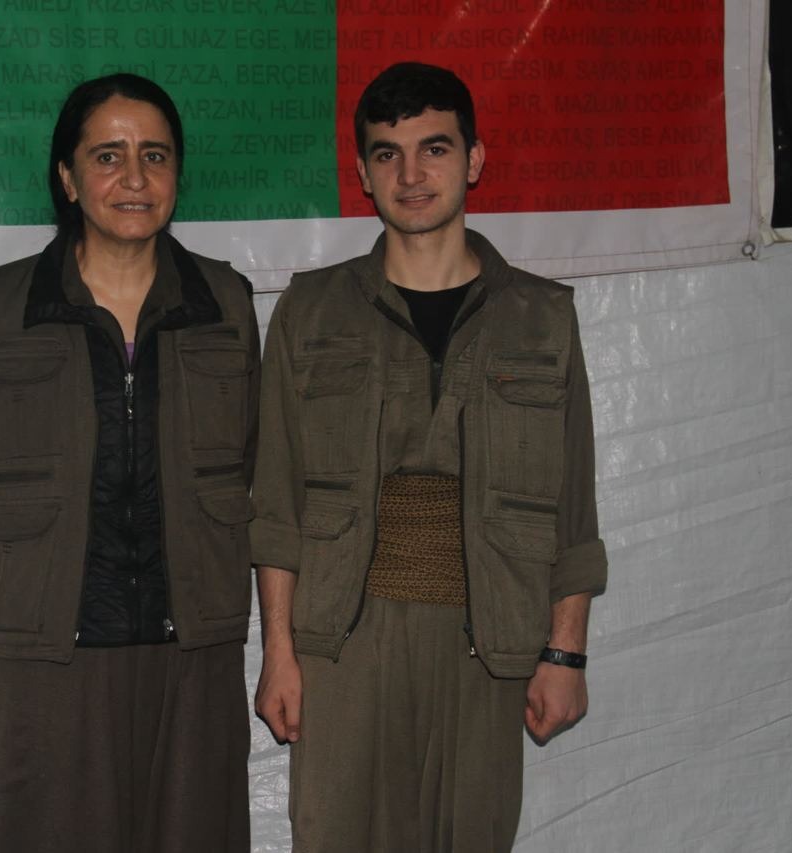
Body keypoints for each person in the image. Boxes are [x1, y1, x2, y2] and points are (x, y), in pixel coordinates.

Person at [250, 62, 608, 853]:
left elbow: (573, 511)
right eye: (388, 153)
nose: (411, 175)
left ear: (474, 159)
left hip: (488, 639)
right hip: (344, 641)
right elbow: (277, 506)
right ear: (363, 172)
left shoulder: (541, 318)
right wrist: (278, 651)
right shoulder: (310, 311)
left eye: (434, 148)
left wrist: (565, 651)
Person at [0, 73, 258, 853]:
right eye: (108, 156)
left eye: (155, 155)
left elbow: (254, 462)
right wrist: (34, 575)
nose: (135, 178)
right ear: (68, 177)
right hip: (48, 655)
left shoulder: (224, 303)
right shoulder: (5, 306)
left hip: (192, 649)